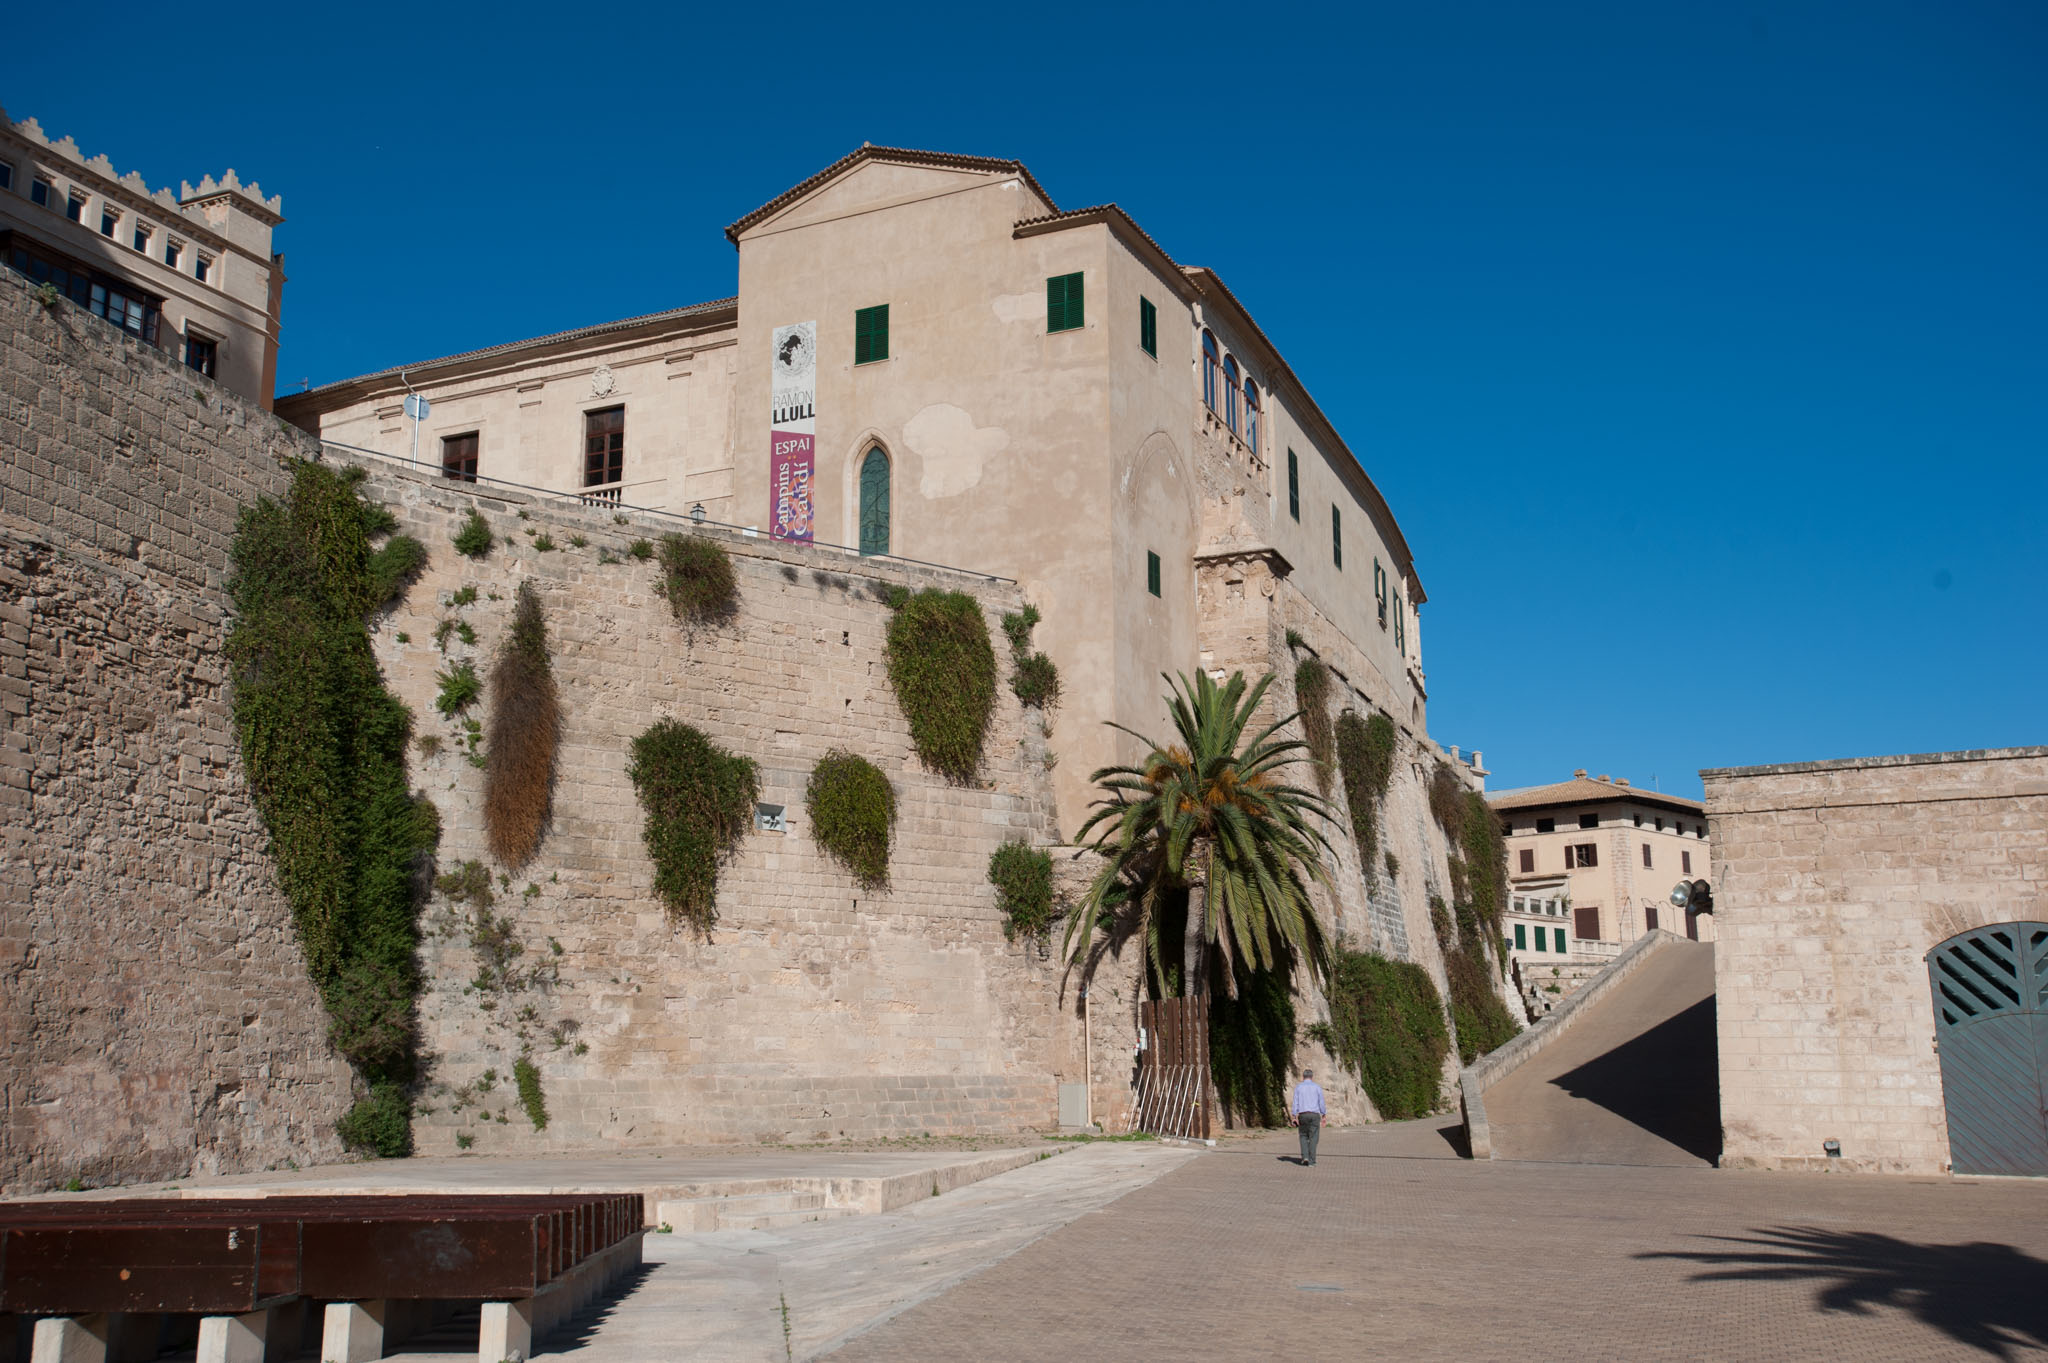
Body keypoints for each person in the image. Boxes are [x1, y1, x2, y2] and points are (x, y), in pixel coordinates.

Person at [1289, 1068, 1326, 1166]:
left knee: (1303, 1136)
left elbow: (1295, 1102)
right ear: (1312, 1077)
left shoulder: (1299, 1087)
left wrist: (1294, 1116)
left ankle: (1305, 1156)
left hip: (1303, 1115)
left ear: (1303, 1077)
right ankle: (1312, 1161)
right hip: (1314, 1115)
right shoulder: (1317, 1087)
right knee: (1314, 1137)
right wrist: (1323, 1114)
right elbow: (1321, 1102)